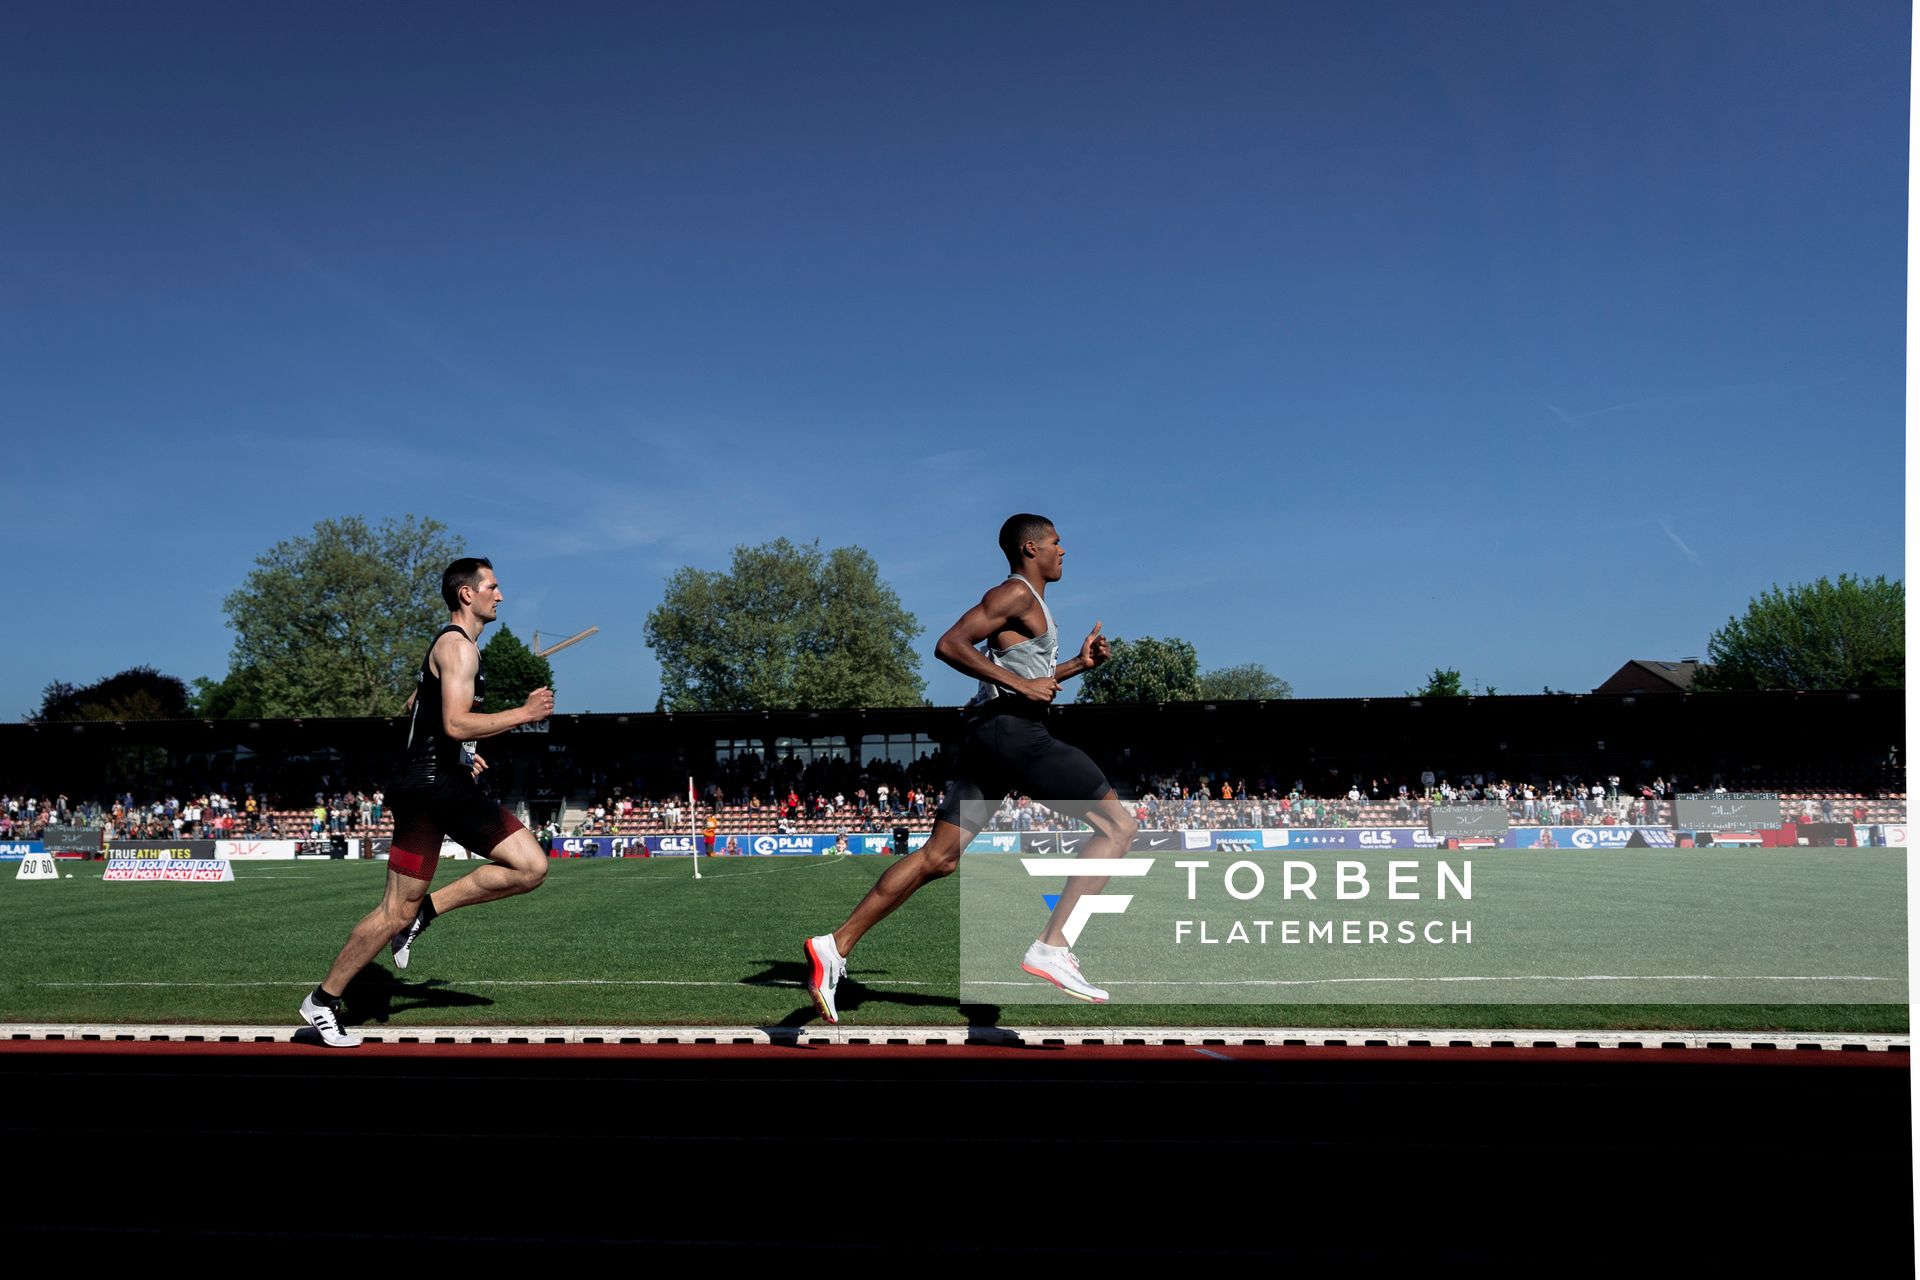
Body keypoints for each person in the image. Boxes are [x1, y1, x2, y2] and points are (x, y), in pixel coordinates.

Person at [803, 514, 1133, 1023]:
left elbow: (1029, 674)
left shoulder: (1030, 604)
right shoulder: (1015, 594)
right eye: (1056, 543)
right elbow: (949, 644)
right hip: (1017, 735)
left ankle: (834, 945)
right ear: (1031, 548)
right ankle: (1052, 946)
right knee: (1118, 826)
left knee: (939, 858)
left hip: (992, 739)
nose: (1063, 551)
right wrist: (1020, 686)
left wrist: (1077, 666)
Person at [297, 557, 555, 1048]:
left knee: (529, 867)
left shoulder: (451, 648)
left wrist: (460, 757)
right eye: (493, 587)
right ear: (467, 594)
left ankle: (424, 914)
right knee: (394, 910)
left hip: (444, 785)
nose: (500, 595)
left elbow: (420, 711)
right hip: (428, 793)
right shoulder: (459, 649)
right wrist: (522, 713)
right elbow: (455, 723)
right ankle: (324, 1002)